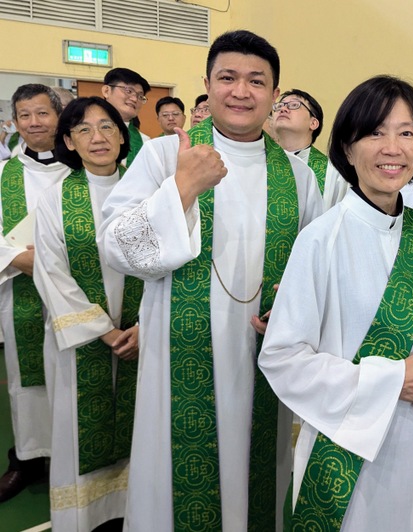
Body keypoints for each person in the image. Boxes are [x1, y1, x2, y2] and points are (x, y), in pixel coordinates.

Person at [99, 30, 323, 531]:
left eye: (256, 81)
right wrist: (182, 187)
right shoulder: (163, 156)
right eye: (227, 78)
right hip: (177, 354)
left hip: (262, 353)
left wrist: (292, 305)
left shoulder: (297, 175)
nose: (241, 91)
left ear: (274, 93)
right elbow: (115, 247)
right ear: (207, 84)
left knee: (255, 483)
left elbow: (312, 267)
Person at [259, 75, 413, 531]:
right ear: (347, 149)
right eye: (375, 132)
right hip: (347, 450)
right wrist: (393, 380)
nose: (393, 148)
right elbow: (282, 357)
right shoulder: (321, 238)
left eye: (407, 133)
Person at [33, 96, 141, 531]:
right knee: (79, 429)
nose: (98, 137)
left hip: (142, 337)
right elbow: (50, 271)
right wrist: (105, 331)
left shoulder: (147, 190)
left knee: (141, 427)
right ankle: (85, 520)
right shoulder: (55, 198)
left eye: (107, 126)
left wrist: (143, 327)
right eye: (84, 129)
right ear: (68, 142)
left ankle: (138, 512)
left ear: (122, 135)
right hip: (80, 343)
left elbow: (170, 263)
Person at [0, 84, 70, 502]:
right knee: (26, 381)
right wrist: (16, 257)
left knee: (71, 375)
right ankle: (27, 459)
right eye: (24, 115)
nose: (33, 123)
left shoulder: (83, 169)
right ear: (14, 122)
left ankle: (71, 457)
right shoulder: (3, 175)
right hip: (23, 291)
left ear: (59, 116)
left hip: (75, 292)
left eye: (42, 113)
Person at [271, 88, 336, 196]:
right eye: (279, 106)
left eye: (294, 105)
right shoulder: (259, 163)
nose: (283, 109)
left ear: (313, 123)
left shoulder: (332, 173)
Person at [101, 67, 150, 166]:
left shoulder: (145, 142)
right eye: (129, 91)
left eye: (140, 96)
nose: (134, 99)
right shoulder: (85, 131)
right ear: (106, 91)